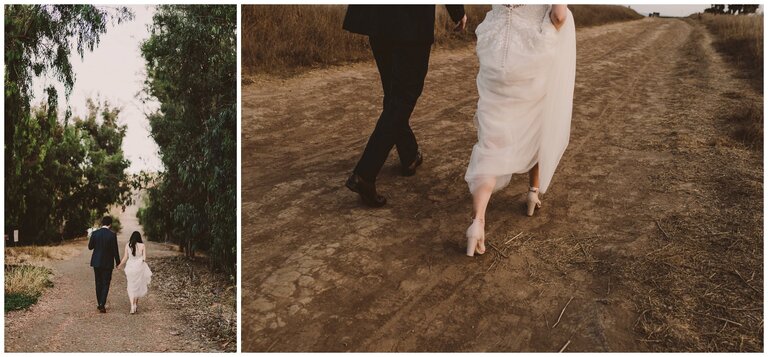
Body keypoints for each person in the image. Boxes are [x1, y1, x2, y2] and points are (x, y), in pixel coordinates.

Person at [464, 5, 576, 256]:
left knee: (491, 137)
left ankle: (477, 222)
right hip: (532, 56)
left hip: (497, 56)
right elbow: (559, 15)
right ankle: (532, 194)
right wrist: (550, 32)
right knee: (537, 122)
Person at [343, 5, 467, 207]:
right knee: (403, 97)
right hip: (410, 21)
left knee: (394, 95)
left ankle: (409, 155)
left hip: (378, 18)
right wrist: (457, 12)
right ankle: (365, 174)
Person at [88, 216, 120, 312]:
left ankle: (99, 303)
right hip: (107, 263)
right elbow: (115, 250)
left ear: (102, 223)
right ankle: (102, 303)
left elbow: (90, 247)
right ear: (110, 224)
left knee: (98, 282)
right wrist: (118, 262)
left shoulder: (95, 233)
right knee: (106, 283)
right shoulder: (112, 235)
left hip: (96, 262)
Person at [117, 231, 152, 314]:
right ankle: (135, 304)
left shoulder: (128, 245)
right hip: (139, 267)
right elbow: (144, 258)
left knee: (131, 286)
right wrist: (140, 263)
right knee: (138, 286)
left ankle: (132, 305)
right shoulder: (142, 245)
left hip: (130, 267)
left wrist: (120, 265)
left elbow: (125, 257)